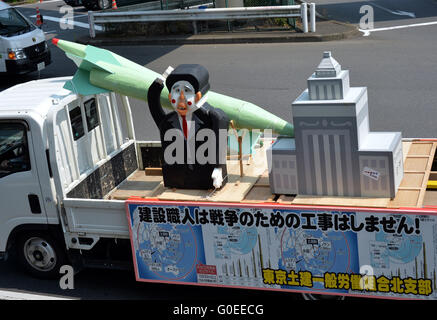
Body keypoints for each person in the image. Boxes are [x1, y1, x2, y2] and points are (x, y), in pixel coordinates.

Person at [147, 64, 229, 190]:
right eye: (176, 91)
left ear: (198, 96)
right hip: (177, 180)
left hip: (204, 179)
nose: (181, 99)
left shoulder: (209, 120)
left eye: (187, 91)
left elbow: (221, 120)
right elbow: (153, 102)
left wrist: (218, 167)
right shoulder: (167, 123)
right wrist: (160, 80)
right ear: (169, 97)